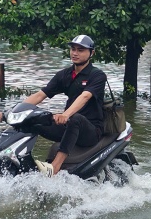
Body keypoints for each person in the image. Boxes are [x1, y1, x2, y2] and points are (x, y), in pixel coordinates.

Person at [16, 34, 108, 175]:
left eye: (81, 50)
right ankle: (20, 162)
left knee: (75, 118)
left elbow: (84, 96)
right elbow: (40, 95)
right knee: (31, 122)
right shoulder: (64, 75)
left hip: (90, 130)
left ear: (92, 53)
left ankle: (54, 167)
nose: (75, 53)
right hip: (69, 126)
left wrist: (65, 114)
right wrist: (14, 112)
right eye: (73, 49)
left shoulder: (97, 75)